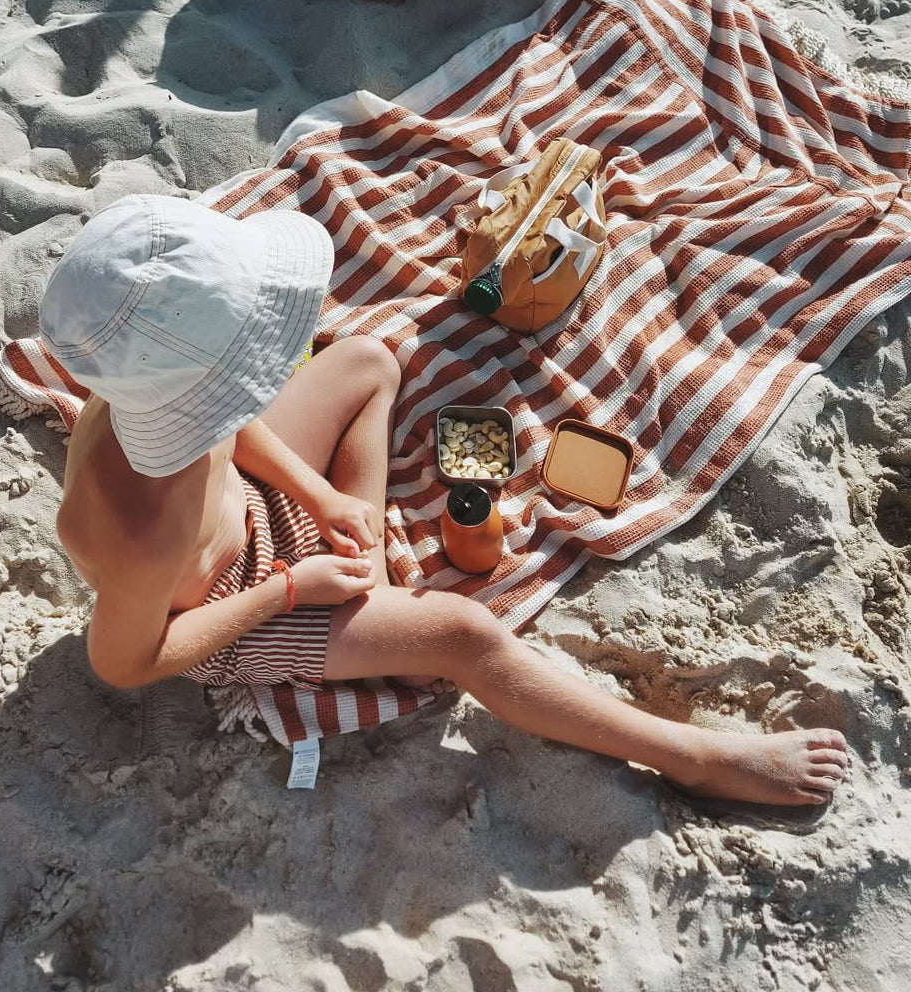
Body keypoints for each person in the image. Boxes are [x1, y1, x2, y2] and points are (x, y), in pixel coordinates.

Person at [43, 194, 848, 808]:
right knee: (464, 634)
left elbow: (229, 425)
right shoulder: (143, 530)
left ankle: (372, 605)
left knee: (364, 360)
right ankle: (689, 756)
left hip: (251, 516)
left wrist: (323, 497)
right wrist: (292, 590)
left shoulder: (141, 394)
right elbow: (127, 662)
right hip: (225, 606)